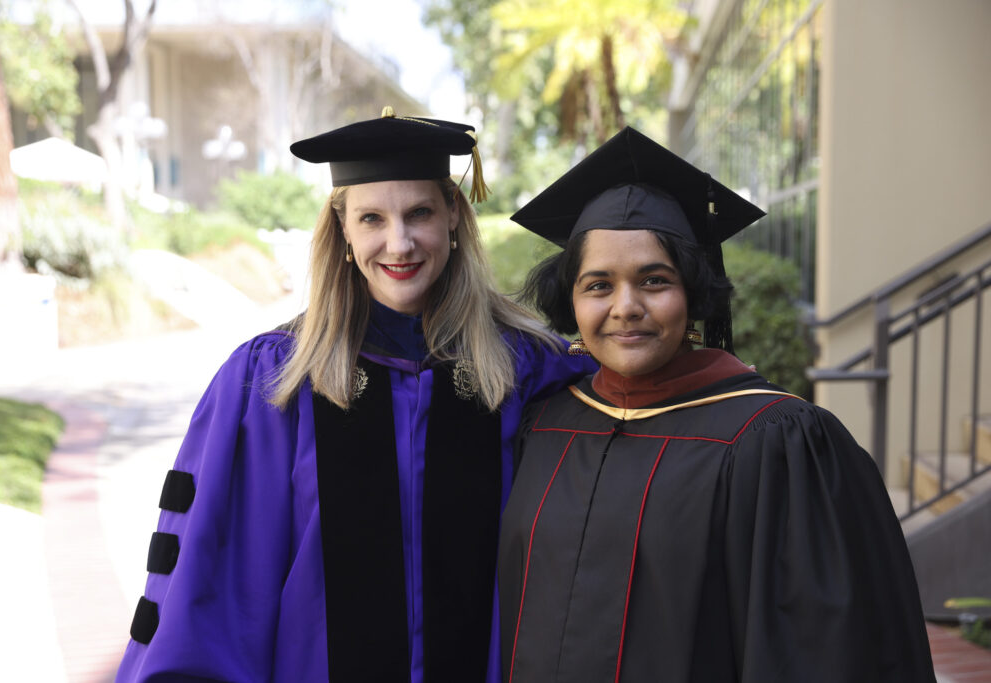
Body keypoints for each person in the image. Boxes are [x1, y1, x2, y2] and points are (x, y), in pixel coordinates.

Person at [116, 108, 597, 683]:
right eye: (373, 218)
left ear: (453, 218)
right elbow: (217, 579)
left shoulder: (525, 367)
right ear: (343, 230)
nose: (399, 242)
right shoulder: (276, 381)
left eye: (419, 212)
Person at [497, 127, 936, 682]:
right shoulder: (545, 425)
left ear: (695, 293)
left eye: (654, 281)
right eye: (598, 285)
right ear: (572, 301)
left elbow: (824, 651)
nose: (625, 306)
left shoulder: (778, 441)